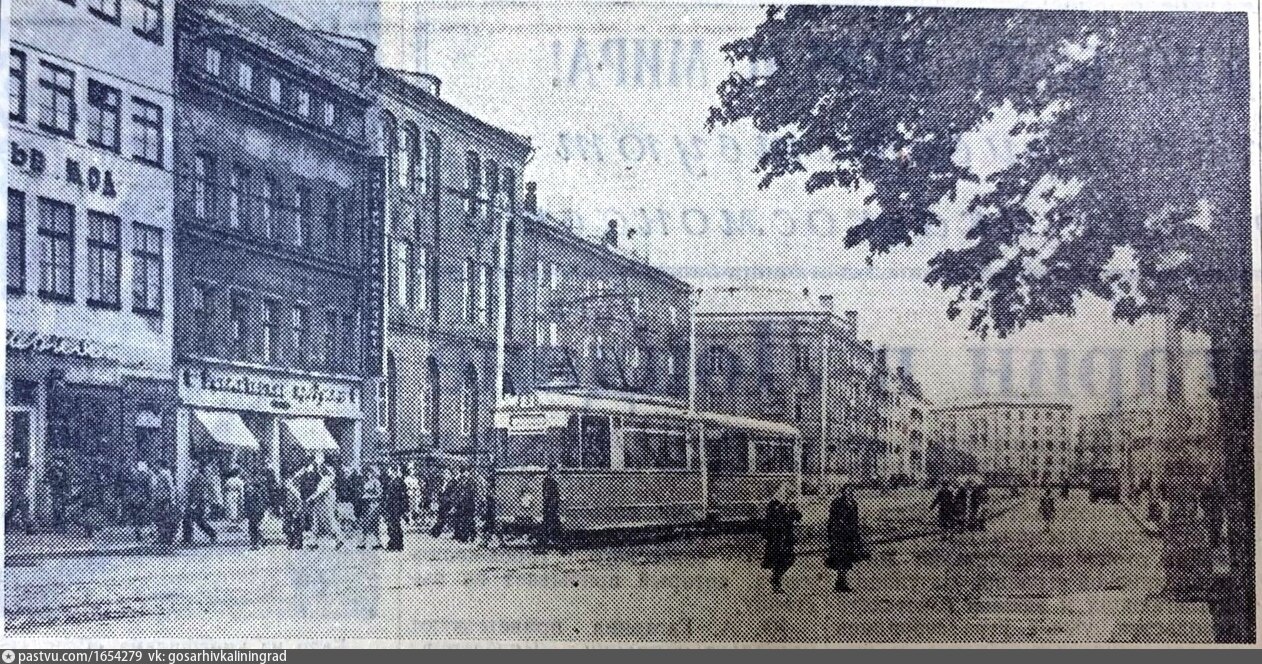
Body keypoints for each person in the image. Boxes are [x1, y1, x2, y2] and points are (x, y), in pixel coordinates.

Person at [760, 484, 802, 594]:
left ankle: (775, 579)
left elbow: (799, 517)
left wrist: (793, 509)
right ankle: (776, 583)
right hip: (777, 539)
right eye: (787, 494)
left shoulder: (787, 506)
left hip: (787, 539)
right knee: (780, 561)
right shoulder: (774, 506)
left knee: (789, 560)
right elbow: (771, 523)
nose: (789, 496)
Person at [825, 484, 866, 593]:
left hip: (850, 536)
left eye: (851, 491)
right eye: (848, 491)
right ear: (843, 492)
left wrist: (856, 535)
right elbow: (832, 519)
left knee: (847, 559)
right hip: (839, 535)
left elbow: (855, 521)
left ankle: (841, 582)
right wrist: (832, 534)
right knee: (840, 558)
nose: (850, 493)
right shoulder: (837, 503)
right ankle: (840, 583)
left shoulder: (853, 503)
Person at [307, 461, 344, 550]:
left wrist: (311, 498)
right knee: (317, 522)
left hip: (325, 504)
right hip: (322, 504)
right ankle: (313, 542)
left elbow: (320, 492)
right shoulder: (326, 479)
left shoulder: (327, 479)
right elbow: (319, 491)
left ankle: (339, 539)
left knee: (329, 521)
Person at [183, 464, 218, 545]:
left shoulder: (199, 478)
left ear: (197, 469)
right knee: (198, 521)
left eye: (193, 468)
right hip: (194, 503)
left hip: (197, 503)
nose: (191, 470)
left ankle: (188, 539)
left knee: (190, 520)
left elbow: (199, 493)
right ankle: (211, 534)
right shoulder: (193, 478)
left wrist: (194, 503)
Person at [534, 464, 565, 554]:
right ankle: (543, 548)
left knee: (551, 528)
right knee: (549, 528)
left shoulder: (550, 480)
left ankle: (557, 548)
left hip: (551, 508)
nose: (556, 473)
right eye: (555, 471)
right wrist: (557, 499)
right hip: (550, 508)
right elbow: (548, 495)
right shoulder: (549, 481)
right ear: (551, 471)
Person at [150, 460, 178, 547]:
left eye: (156, 465)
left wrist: (172, 501)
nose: (155, 467)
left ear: (160, 465)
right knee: (159, 519)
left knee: (165, 519)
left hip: (164, 500)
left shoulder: (165, 474)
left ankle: (167, 538)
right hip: (158, 500)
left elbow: (171, 488)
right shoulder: (156, 475)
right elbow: (155, 490)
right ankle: (162, 536)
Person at [123, 461, 153, 541]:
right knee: (146, 514)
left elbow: (130, 487)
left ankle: (138, 531)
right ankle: (149, 531)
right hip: (143, 498)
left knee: (136, 515)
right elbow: (149, 488)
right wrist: (150, 497)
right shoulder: (147, 476)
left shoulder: (134, 476)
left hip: (134, 498)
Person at [357, 465, 384, 549]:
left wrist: (369, 496)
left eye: (371, 473)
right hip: (366, 505)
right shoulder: (367, 482)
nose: (369, 475)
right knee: (364, 524)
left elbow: (380, 495)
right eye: (368, 473)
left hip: (374, 505)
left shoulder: (376, 482)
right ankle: (363, 543)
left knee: (374, 524)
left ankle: (378, 543)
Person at [242, 470, 270, 550]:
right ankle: (261, 540)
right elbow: (246, 500)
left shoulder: (258, 489)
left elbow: (265, 500)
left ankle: (255, 544)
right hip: (254, 510)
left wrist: (263, 509)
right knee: (253, 527)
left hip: (256, 510)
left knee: (253, 527)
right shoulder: (249, 487)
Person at [5, 463, 35, 535]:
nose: (29, 472)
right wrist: (17, 494)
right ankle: (6, 526)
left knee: (24, 513)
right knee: (14, 511)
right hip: (17, 495)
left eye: (30, 470)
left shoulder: (26, 476)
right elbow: (15, 485)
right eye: (28, 469)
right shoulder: (20, 475)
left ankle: (29, 529)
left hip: (21, 496)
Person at [45, 454, 71, 533]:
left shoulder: (65, 471)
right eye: (56, 461)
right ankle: (56, 525)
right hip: (55, 492)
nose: (57, 463)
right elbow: (48, 478)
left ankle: (62, 526)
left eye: (59, 461)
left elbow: (67, 482)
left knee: (62, 508)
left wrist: (67, 492)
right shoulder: (52, 470)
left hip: (63, 492)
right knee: (55, 508)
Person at [384, 466, 408, 551]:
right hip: (393, 507)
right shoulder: (394, 481)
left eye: (389, 470)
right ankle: (395, 544)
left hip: (395, 508)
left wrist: (403, 509)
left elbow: (402, 497)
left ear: (393, 471)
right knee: (393, 526)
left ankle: (396, 544)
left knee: (394, 526)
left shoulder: (397, 482)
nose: (388, 472)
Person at [452, 467, 477, 543]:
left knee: (469, 521)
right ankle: (463, 537)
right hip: (461, 505)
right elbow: (456, 494)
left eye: (464, 477)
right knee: (463, 521)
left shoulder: (471, 483)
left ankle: (471, 535)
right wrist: (456, 503)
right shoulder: (459, 484)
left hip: (469, 505)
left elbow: (473, 494)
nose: (463, 478)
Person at [1200, 478, 1225, 549]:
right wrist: (1206, 507)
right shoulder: (1206, 491)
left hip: (1216, 511)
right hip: (1211, 512)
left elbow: (1222, 499)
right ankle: (1213, 542)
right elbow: (1202, 501)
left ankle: (1215, 542)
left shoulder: (1217, 489)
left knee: (1215, 526)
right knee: (1212, 527)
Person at [479, 470, 501, 549]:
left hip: (491, 512)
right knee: (488, 527)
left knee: (491, 527)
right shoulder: (490, 492)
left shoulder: (492, 492)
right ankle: (486, 541)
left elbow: (491, 503)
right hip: (490, 512)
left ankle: (488, 541)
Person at [283, 475, 306, 550]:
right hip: (288, 510)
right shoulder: (286, 491)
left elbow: (300, 501)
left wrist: (297, 511)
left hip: (296, 510)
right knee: (287, 527)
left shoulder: (297, 491)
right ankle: (291, 542)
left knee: (297, 527)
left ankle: (298, 544)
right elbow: (283, 500)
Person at [429, 467, 454, 538]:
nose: (445, 475)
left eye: (447, 474)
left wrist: (451, 503)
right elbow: (438, 492)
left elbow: (452, 495)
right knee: (440, 518)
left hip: (447, 503)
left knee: (444, 518)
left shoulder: (452, 483)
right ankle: (435, 532)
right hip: (441, 503)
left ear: (450, 475)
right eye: (444, 474)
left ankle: (436, 532)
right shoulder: (441, 483)